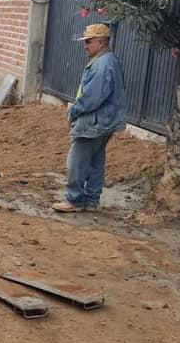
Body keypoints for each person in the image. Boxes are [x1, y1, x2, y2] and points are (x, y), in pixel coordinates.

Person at [52, 23, 127, 213]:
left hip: (93, 122)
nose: (85, 45)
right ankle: (91, 201)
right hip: (105, 122)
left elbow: (92, 97)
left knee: (76, 161)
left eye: (89, 41)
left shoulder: (102, 65)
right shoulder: (108, 61)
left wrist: (74, 111)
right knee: (95, 162)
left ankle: (74, 200)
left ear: (101, 42)